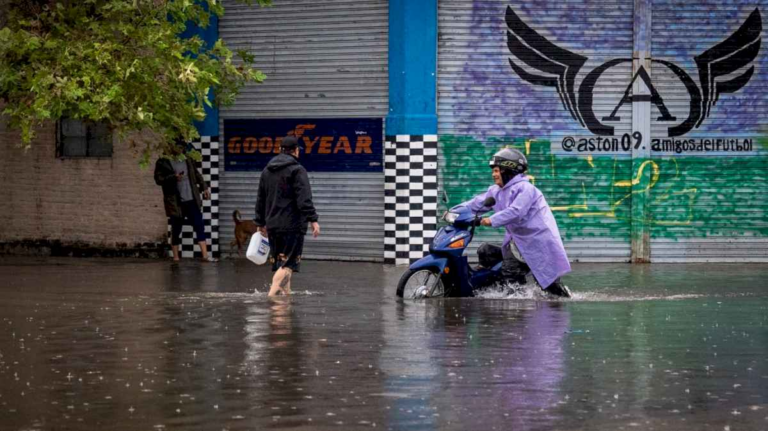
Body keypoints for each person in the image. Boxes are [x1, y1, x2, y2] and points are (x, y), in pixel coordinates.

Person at [461, 148, 572, 297]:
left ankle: (560, 306)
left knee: (550, 287)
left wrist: (489, 220)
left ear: (507, 170)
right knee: (510, 274)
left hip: (538, 242)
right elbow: (475, 204)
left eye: (496, 170)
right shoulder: (496, 191)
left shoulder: (526, 189)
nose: (493, 175)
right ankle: (516, 307)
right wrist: (454, 212)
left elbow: (516, 211)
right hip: (517, 242)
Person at [254, 136, 320, 296]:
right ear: (296, 151)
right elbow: (304, 198)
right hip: (292, 226)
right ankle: (271, 296)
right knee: (288, 264)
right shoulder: (297, 170)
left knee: (281, 264)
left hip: (273, 226)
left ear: (280, 150)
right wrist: (313, 219)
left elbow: (260, 198)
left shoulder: (266, 171)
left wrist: (260, 222)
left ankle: (284, 303)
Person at [154, 137, 216, 262]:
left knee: (199, 225)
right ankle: (176, 257)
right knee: (176, 229)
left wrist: (204, 187)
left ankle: (205, 256)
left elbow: (196, 174)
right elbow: (158, 180)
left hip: (191, 199)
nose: (180, 150)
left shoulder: (187, 159)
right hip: (176, 202)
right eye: (178, 147)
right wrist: (173, 177)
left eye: (182, 147)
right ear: (171, 147)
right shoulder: (163, 162)